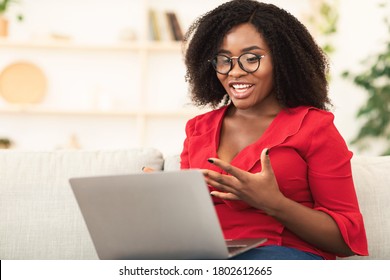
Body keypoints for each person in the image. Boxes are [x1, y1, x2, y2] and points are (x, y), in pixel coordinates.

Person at [178, 0, 368, 260]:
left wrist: (272, 202)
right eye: (224, 60)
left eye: (251, 59)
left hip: (281, 256)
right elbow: (191, 221)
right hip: (209, 258)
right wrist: (162, 201)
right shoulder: (199, 128)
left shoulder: (314, 127)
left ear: (283, 60)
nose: (235, 72)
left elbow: (346, 240)